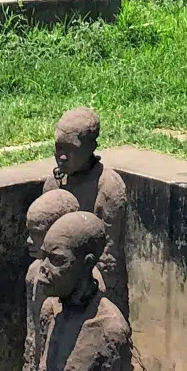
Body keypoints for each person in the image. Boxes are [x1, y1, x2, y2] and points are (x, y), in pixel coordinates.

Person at [31, 210, 133, 371]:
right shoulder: (51, 312)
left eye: (57, 260)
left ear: (85, 265)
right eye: (43, 256)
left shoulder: (110, 331)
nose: (42, 268)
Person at [43, 105, 128, 312]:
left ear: (90, 148)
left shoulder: (108, 187)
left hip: (94, 279)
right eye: (59, 148)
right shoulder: (54, 184)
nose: (62, 156)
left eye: (71, 150)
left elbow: (108, 255)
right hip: (58, 273)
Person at [22, 188, 80, 371]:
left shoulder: (79, 280)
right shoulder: (33, 273)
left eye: (37, 235)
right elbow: (33, 327)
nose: (29, 241)